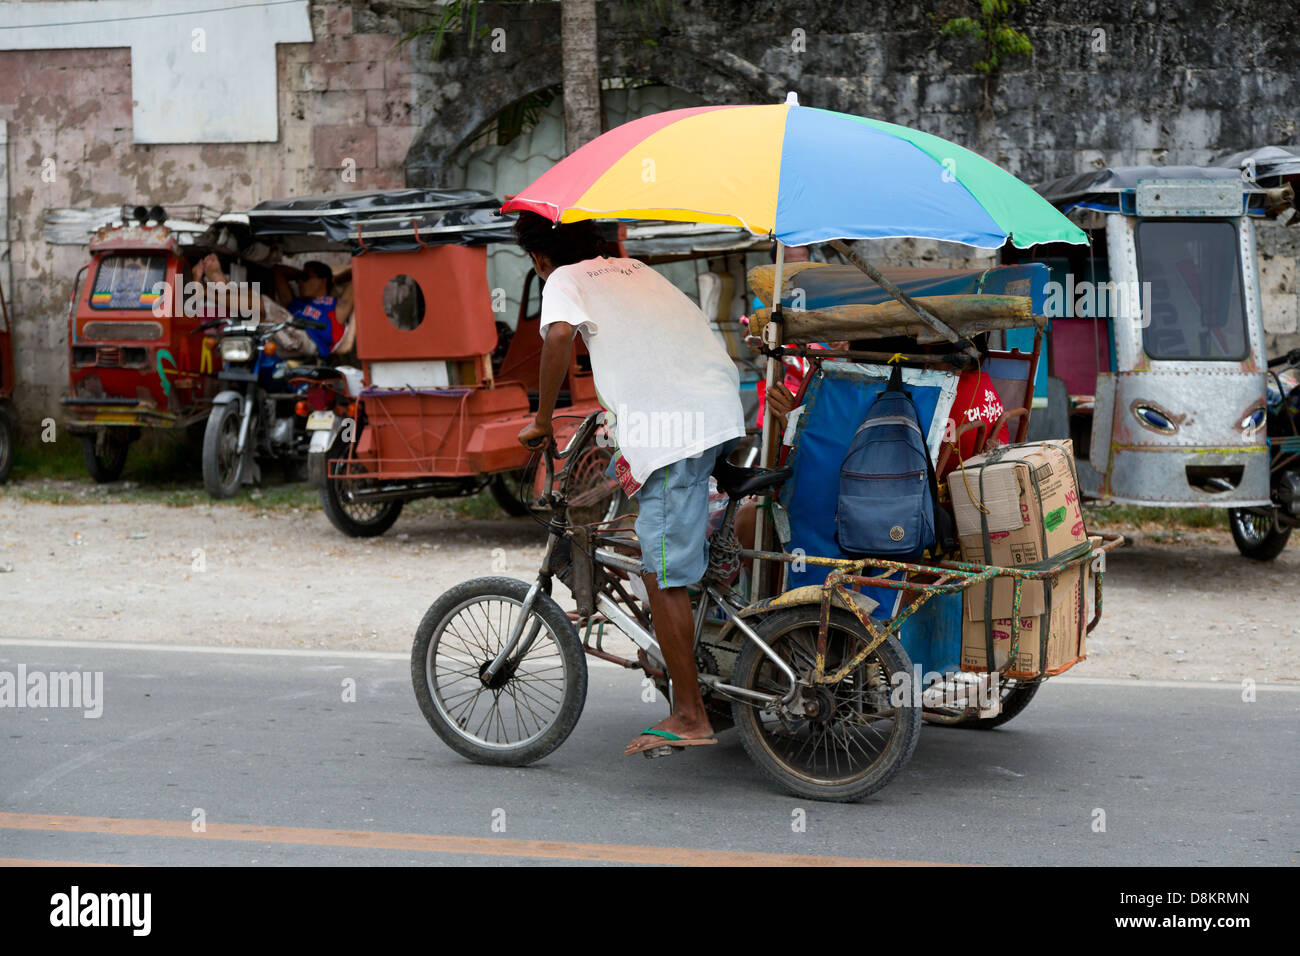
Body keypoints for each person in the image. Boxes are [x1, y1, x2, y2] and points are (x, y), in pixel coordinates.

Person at [512, 210, 746, 758]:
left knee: (661, 571)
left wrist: (543, 419)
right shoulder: (634, 269)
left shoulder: (564, 281)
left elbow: (559, 338)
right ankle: (708, 676)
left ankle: (690, 714)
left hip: (672, 436)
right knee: (686, 554)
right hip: (717, 418)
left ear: (539, 260)